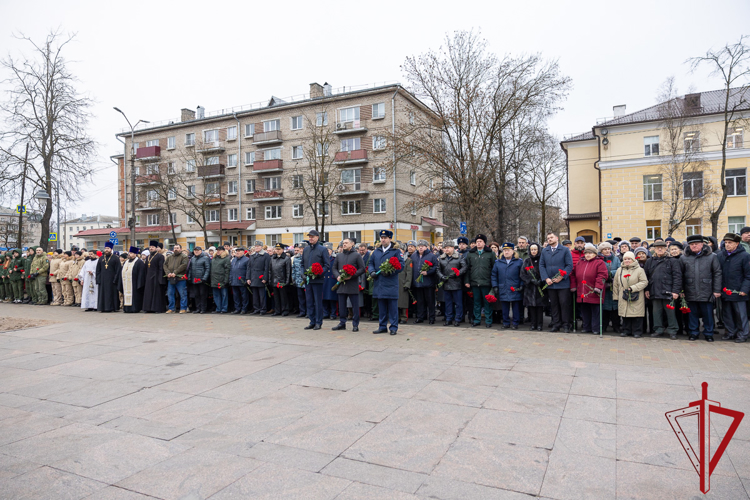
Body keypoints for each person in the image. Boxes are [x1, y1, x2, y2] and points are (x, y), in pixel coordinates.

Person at [680, 234, 722, 342]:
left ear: (702, 244)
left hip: (706, 290)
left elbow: (717, 273)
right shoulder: (684, 257)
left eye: (696, 244)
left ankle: (708, 333)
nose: (694, 246)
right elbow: (680, 275)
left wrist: (717, 290)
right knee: (692, 314)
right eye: (691, 244)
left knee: (707, 314)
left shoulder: (712, 256)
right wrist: (681, 290)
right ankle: (693, 332)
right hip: (690, 289)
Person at [368, 230, 403, 335]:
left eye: (385, 238)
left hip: (391, 283)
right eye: (382, 238)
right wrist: (372, 271)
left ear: (390, 239)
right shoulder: (377, 251)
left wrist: (390, 272)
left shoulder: (396, 251)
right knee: (381, 307)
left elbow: (401, 266)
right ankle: (382, 326)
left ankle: (393, 327)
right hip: (379, 283)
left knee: (392, 308)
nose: (383, 239)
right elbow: (370, 263)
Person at [644, 240, 681, 340]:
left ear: (666, 249)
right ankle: (658, 329)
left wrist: (675, 291)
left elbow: (677, 277)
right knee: (656, 312)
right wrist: (647, 290)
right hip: (654, 291)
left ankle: (673, 330)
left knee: (670, 313)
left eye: (662, 247)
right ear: (654, 249)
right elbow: (646, 277)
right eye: (657, 248)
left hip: (668, 291)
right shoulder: (649, 261)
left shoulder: (673, 261)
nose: (660, 249)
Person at [718, 232, 750, 343]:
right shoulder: (721, 255)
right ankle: (730, 332)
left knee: (741, 315)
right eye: (725, 242)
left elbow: (748, 275)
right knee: (727, 314)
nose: (727, 245)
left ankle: (742, 334)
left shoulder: (745, 256)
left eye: (730, 243)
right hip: (725, 291)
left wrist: (744, 289)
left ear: (737, 243)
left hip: (739, 292)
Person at [570, 243, 608, 334]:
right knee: (585, 310)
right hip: (582, 291)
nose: (588, 255)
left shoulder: (599, 262)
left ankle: (596, 328)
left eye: (590, 253)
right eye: (586, 253)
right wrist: (573, 286)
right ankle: (586, 327)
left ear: (595, 254)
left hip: (594, 291)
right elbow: (573, 275)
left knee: (596, 311)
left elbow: (602, 275)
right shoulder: (580, 262)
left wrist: (598, 287)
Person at [539, 232, 574, 332]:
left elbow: (569, 265)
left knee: (564, 304)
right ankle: (556, 324)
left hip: (562, 283)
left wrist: (562, 276)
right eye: (548, 238)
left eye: (551, 237)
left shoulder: (565, 250)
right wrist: (546, 278)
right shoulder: (545, 251)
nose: (549, 239)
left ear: (557, 238)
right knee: (553, 305)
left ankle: (566, 324)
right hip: (550, 283)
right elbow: (542, 265)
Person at [331, 238, 366, 331]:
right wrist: (337, 276)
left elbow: (362, 269)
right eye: (343, 243)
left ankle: (355, 324)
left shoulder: (357, 255)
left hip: (352, 284)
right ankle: (342, 323)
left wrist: (352, 276)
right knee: (342, 306)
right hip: (341, 284)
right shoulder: (339, 256)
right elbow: (334, 268)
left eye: (346, 243)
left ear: (352, 244)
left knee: (354, 306)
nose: (344, 244)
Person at [612, 251, 648, 338]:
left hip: (636, 295)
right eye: (625, 259)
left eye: (629, 259)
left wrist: (633, 288)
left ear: (633, 260)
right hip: (623, 295)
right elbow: (616, 283)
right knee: (625, 314)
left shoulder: (639, 270)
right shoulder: (619, 270)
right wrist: (616, 296)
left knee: (636, 314)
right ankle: (626, 330)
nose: (627, 261)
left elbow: (644, 282)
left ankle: (637, 331)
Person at [463, 234, 496, 328]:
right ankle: (477, 320)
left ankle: (488, 320)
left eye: (480, 241)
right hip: (474, 282)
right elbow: (467, 269)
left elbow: (494, 268)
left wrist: (493, 282)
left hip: (486, 282)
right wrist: (467, 281)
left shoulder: (490, 253)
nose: (478, 243)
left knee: (487, 303)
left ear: (484, 243)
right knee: (476, 303)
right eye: (477, 241)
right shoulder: (471, 254)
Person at [491, 242, 523, 329]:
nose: (506, 252)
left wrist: (521, 285)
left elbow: (522, 275)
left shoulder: (519, 262)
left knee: (515, 307)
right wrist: (495, 286)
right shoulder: (498, 262)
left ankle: (515, 323)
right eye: (504, 250)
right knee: (505, 307)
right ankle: (506, 322)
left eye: (508, 250)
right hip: (503, 287)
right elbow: (494, 275)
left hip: (515, 288)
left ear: (513, 251)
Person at [303, 230, 329, 330]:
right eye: (309, 237)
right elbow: (302, 264)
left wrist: (319, 273)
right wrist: (303, 274)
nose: (311, 238)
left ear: (317, 237)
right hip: (308, 280)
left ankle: (318, 322)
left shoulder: (322, 249)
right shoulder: (306, 249)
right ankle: (312, 321)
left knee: (317, 302)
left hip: (317, 280)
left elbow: (326, 265)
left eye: (312, 237)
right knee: (309, 301)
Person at [436, 241, 465, 327]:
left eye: (448, 247)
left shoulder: (459, 257)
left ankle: (458, 319)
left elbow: (464, 267)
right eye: (445, 248)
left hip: (456, 283)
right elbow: (438, 269)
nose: (446, 249)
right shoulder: (441, 258)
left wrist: (458, 273)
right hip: (446, 283)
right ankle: (448, 319)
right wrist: (441, 277)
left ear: (453, 248)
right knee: (448, 303)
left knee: (458, 303)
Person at [411, 240, 438, 324]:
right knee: (420, 301)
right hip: (417, 283)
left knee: (430, 301)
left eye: (422, 246)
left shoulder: (431, 256)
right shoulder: (413, 256)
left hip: (428, 282)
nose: (421, 247)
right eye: (419, 246)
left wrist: (428, 272)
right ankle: (420, 317)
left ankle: (431, 318)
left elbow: (436, 267)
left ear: (427, 247)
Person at [520, 242, 546, 331]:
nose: (533, 251)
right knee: (531, 307)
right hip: (530, 288)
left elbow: (545, 271)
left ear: (538, 250)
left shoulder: (542, 260)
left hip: (540, 288)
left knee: (539, 307)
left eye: (535, 249)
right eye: (532, 249)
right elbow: (522, 274)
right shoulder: (527, 261)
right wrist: (530, 280)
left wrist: (541, 280)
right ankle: (533, 324)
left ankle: (539, 324)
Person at [598, 242, 621, 333]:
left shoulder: (616, 259)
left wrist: (611, 273)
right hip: (603, 286)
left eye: (608, 249)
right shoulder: (599, 259)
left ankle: (616, 326)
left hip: (614, 285)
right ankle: (604, 326)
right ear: (601, 251)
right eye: (605, 249)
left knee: (615, 307)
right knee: (604, 308)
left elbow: (620, 269)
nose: (607, 251)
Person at [95, 242, 121, 313]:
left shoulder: (115, 258)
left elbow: (118, 270)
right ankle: (103, 307)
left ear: (111, 249)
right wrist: (98, 279)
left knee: (111, 294)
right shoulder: (101, 258)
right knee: (102, 294)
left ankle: (112, 307)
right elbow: (98, 270)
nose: (106, 250)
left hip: (112, 280)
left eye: (108, 248)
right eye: (105, 248)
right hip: (103, 280)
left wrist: (116, 279)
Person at [142, 241, 167, 313]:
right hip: (148, 277)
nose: (151, 248)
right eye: (150, 247)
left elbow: (161, 268)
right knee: (148, 293)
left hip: (156, 277)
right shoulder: (148, 257)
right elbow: (146, 268)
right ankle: (148, 308)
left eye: (152, 247)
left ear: (156, 248)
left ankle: (157, 308)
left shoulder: (160, 256)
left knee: (157, 293)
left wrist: (160, 279)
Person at [247, 241, 271, 315]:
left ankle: (263, 309)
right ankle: (256, 309)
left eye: (258, 246)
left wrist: (265, 278)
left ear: (261, 247)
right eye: (256, 246)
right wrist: (248, 278)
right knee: (255, 295)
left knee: (262, 295)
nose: (257, 247)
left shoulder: (265, 255)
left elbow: (267, 268)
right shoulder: (252, 255)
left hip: (261, 278)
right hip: (253, 277)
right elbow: (249, 268)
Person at [120, 247, 147, 313]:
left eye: (131, 253)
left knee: (135, 297)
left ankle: (135, 308)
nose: (129, 254)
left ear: (135, 254)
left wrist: (139, 284)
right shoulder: (126, 262)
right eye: (129, 253)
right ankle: (127, 308)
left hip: (134, 283)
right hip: (126, 282)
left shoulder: (139, 262)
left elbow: (141, 274)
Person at [164, 244, 189, 314]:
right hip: (171, 278)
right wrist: (168, 273)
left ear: (180, 249)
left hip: (180, 278)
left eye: (177, 248)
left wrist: (175, 272)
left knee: (182, 294)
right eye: (175, 248)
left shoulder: (184, 257)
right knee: (170, 293)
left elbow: (184, 265)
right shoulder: (169, 257)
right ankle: (171, 308)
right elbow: (165, 265)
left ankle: (183, 308)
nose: (176, 249)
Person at [269, 243, 292, 316]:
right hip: (274, 280)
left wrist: (287, 281)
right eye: (276, 249)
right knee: (276, 297)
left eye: (279, 249)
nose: (277, 251)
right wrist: (270, 280)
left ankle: (285, 310)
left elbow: (288, 271)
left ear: (282, 250)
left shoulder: (286, 258)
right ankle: (277, 310)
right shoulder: (273, 258)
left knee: (283, 297)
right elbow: (270, 270)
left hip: (282, 281)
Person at [187, 246, 210, 314]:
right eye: (195, 250)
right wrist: (189, 277)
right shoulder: (193, 258)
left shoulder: (205, 258)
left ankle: (203, 309)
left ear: (201, 251)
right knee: (196, 295)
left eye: (198, 250)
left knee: (203, 294)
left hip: (202, 279)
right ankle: (198, 308)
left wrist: (204, 278)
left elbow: (207, 269)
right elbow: (190, 269)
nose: (196, 251)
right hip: (194, 279)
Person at [209, 247, 230, 313]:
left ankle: (224, 308)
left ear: (223, 251)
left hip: (222, 279)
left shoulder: (226, 259)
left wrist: (226, 280)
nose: (218, 251)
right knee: (216, 295)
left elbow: (227, 270)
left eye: (220, 250)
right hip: (214, 279)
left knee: (224, 295)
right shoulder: (214, 258)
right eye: (217, 250)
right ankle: (218, 308)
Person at [230, 247, 250, 314]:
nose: (237, 252)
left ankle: (244, 309)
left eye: (239, 251)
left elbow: (248, 271)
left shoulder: (246, 260)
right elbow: (231, 270)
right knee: (236, 296)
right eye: (236, 251)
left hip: (242, 281)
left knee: (244, 296)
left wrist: (247, 279)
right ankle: (237, 308)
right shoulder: (233, 260)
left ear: (243, 252)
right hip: (234, 280)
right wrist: (230, 279)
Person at [398, 243, 414, 324]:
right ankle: (397, 317)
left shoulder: (408, 260)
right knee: (396, 301)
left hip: (403, 283)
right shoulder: (394, 259)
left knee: (404, 302)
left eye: (400, 249)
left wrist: (407, 284)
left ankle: (404, 317)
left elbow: (409, 273)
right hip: (395, 284)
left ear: (403, 251)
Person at [291, 243, 307, 318]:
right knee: (300, 298)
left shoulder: (308, 257)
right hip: (298, 281)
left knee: (308, 298)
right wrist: (293, 278)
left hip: (306, 281)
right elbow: (293, 269)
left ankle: (308, 312)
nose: (301, 250)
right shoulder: (296, 258)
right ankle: (302, 311)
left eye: (302, 248)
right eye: (300, 249)